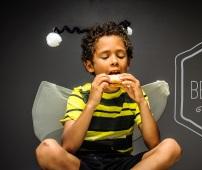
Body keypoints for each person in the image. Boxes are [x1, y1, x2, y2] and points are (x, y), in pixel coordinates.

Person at [35, 20, 182, 170]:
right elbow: (68, 146)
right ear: (90, 65)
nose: (114, 62)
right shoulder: (81, 94)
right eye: (105, 57)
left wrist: (141, 102)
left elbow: (154, 144)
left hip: (122, 162)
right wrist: (92, 103)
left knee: (171, 147)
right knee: (46, 149)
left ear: (129, 62)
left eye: (120, 55)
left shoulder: (135, 94)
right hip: (85, 163)